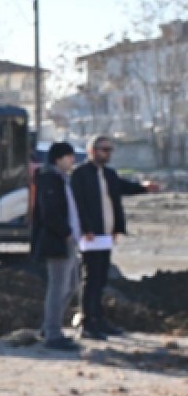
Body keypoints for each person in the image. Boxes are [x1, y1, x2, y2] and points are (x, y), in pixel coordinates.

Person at [69, 136, 157, 340]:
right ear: (92, 151)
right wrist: (85, 228)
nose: (107, 154)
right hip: (90, 235)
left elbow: (123, 188)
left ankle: (99, 320)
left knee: (101, 278)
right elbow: (77, 203)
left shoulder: (109, 174)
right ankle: (87, 322)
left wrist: (144, 187)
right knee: (90, 278)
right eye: (104, 150)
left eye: (110, 150)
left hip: (106, 234)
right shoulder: (80, 174)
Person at [31, 142, 81, 352]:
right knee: (58, 287)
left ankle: (48, 327)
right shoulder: (50, 179)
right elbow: (51, 213)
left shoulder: (62, 179)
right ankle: (53, 334)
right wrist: (67, 233)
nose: (73, 160)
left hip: (68, 240)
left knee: (71, 285)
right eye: (69, 156)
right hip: (58, 241)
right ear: (58, 158)